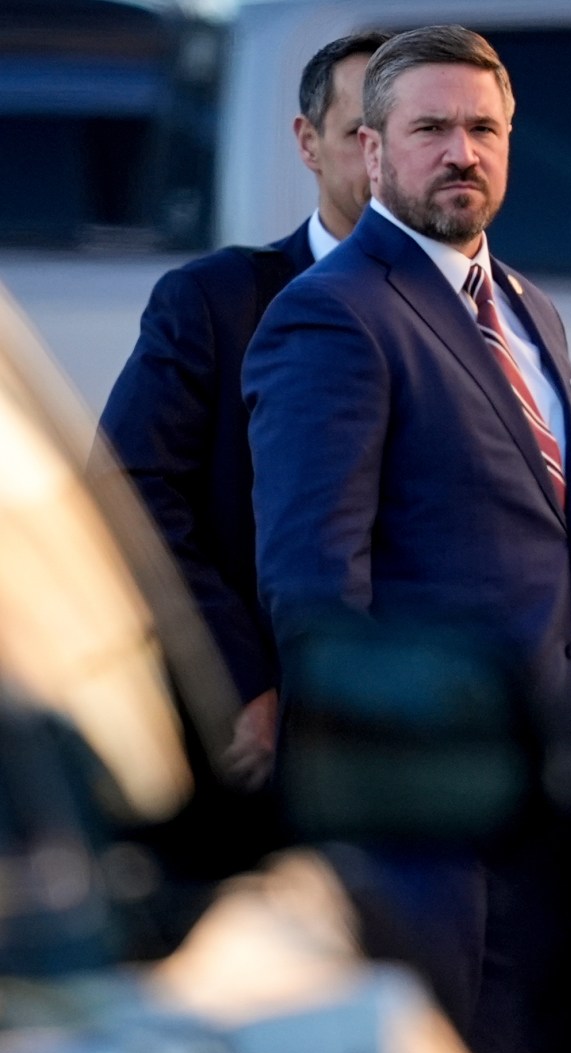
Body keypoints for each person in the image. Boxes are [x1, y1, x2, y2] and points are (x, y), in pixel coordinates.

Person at [242, 25, 571, 1053]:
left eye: (483, 128)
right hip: (421, 824)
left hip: (530, 803)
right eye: (432, 128)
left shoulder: (531, 308)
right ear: (370, 150)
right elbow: (313, 583)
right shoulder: (331, 315)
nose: (463, 152)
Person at [96, 30, 390, 793]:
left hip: (450, 744)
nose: (388, 158)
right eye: (363, 132)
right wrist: (238, 683)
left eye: (413, 129)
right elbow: (127, 495)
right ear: (309, 142)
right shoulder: (219, 303)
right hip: (288, 744)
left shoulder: (506, 317)